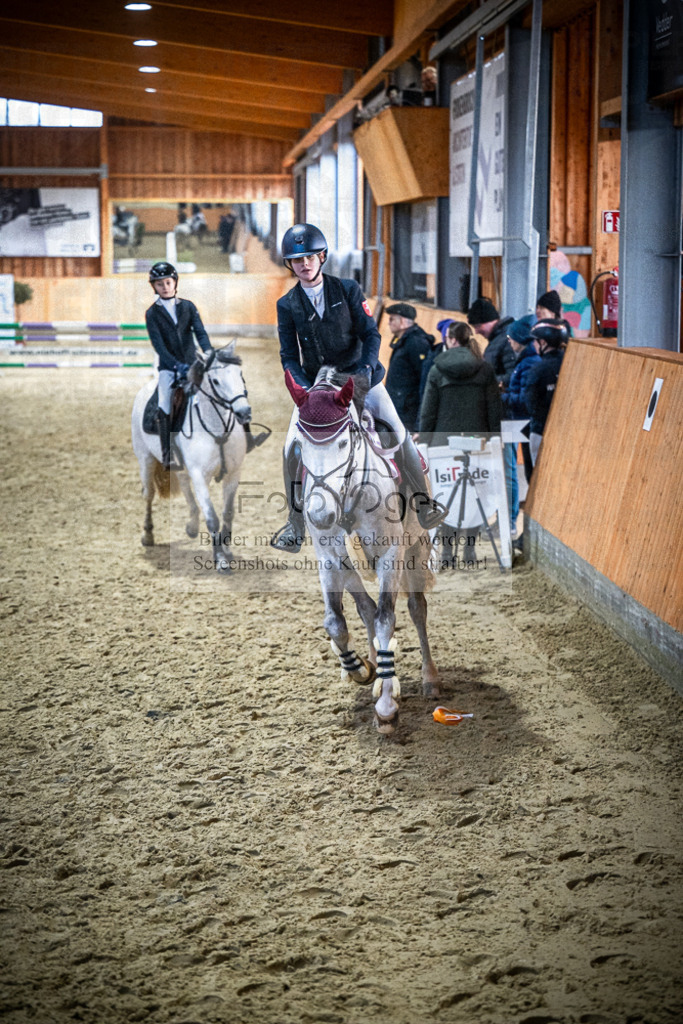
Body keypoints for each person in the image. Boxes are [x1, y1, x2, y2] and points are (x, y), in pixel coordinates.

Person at [271, 224, 446, 552]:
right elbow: (287, 355)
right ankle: (295, 524)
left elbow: (370, 334)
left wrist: (364, 371)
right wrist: (307, 390)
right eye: (297, 260)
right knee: (290, 447)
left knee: (397, 430)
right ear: (290, 265)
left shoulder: (348, 289)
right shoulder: (287, 305)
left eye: (310, 257)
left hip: (363, 379)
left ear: (321, 257)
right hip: (317, 389)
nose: (305, 264)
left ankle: (423, 505)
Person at [418, 321, 502, 567]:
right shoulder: (485, 369)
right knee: (475, 493)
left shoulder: (437, 370)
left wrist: (425, 441)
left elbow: (428, 412)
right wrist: (495, 439)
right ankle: (470, 550)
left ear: (452, 340)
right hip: (478, 442)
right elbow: (494, 409)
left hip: (444, 444)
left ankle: (446, 551)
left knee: (446, 497)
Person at [524, 318, 570, 465]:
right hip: (568, 430)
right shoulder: (572, 364)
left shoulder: (538, 370)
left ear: (543, 343)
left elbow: (530, 403)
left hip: (541, 430)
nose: (533, 345)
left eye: (535, 341)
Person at [384, 302, 435, 433]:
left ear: (402, 321)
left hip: (408, 410)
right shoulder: (403, 341)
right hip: (400, 406)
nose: (389, 323)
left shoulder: (416, 343)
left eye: (392, 319)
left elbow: (424, 378)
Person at [503, 315, 541, 485]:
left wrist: (503, 398)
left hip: (526, 422)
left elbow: (525, 398)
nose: (509, 342)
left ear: (520, 340)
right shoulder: (525, 361)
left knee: (531, 470)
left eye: (511, 338)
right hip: (522, 422)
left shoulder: (529, 363)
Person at [466, 297, 515, 388]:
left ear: (490, 321)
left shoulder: (506, 340)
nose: (476, 331)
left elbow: (513, 375)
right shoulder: (496, 340)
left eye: (478, 326)